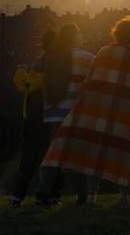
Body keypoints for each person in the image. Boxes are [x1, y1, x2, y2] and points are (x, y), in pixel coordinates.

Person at [42, 16, 130, 204]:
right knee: (124, 153)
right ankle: (124, 196)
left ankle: (91, 196)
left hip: (98, 109)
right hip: (125, 114)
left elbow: (91, 81)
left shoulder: (103, 52)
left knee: (93, 152)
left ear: (116, 33)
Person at [36, 23, 95, 206]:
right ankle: (83, 197)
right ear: (75, 36)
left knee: (54, 156)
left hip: (54, 115)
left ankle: (44, 193)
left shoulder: (52, 58)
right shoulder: (86, 58)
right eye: (80, 34)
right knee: (77, 158)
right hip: (75, 115)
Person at [9, 28, 56, 208]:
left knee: (28, 159)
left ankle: (17, 196)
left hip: (31, 118)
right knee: (49, 159)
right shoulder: (51, 62)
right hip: (46, 118)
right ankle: (47, 195)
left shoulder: (37, 61)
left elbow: (27, 86)